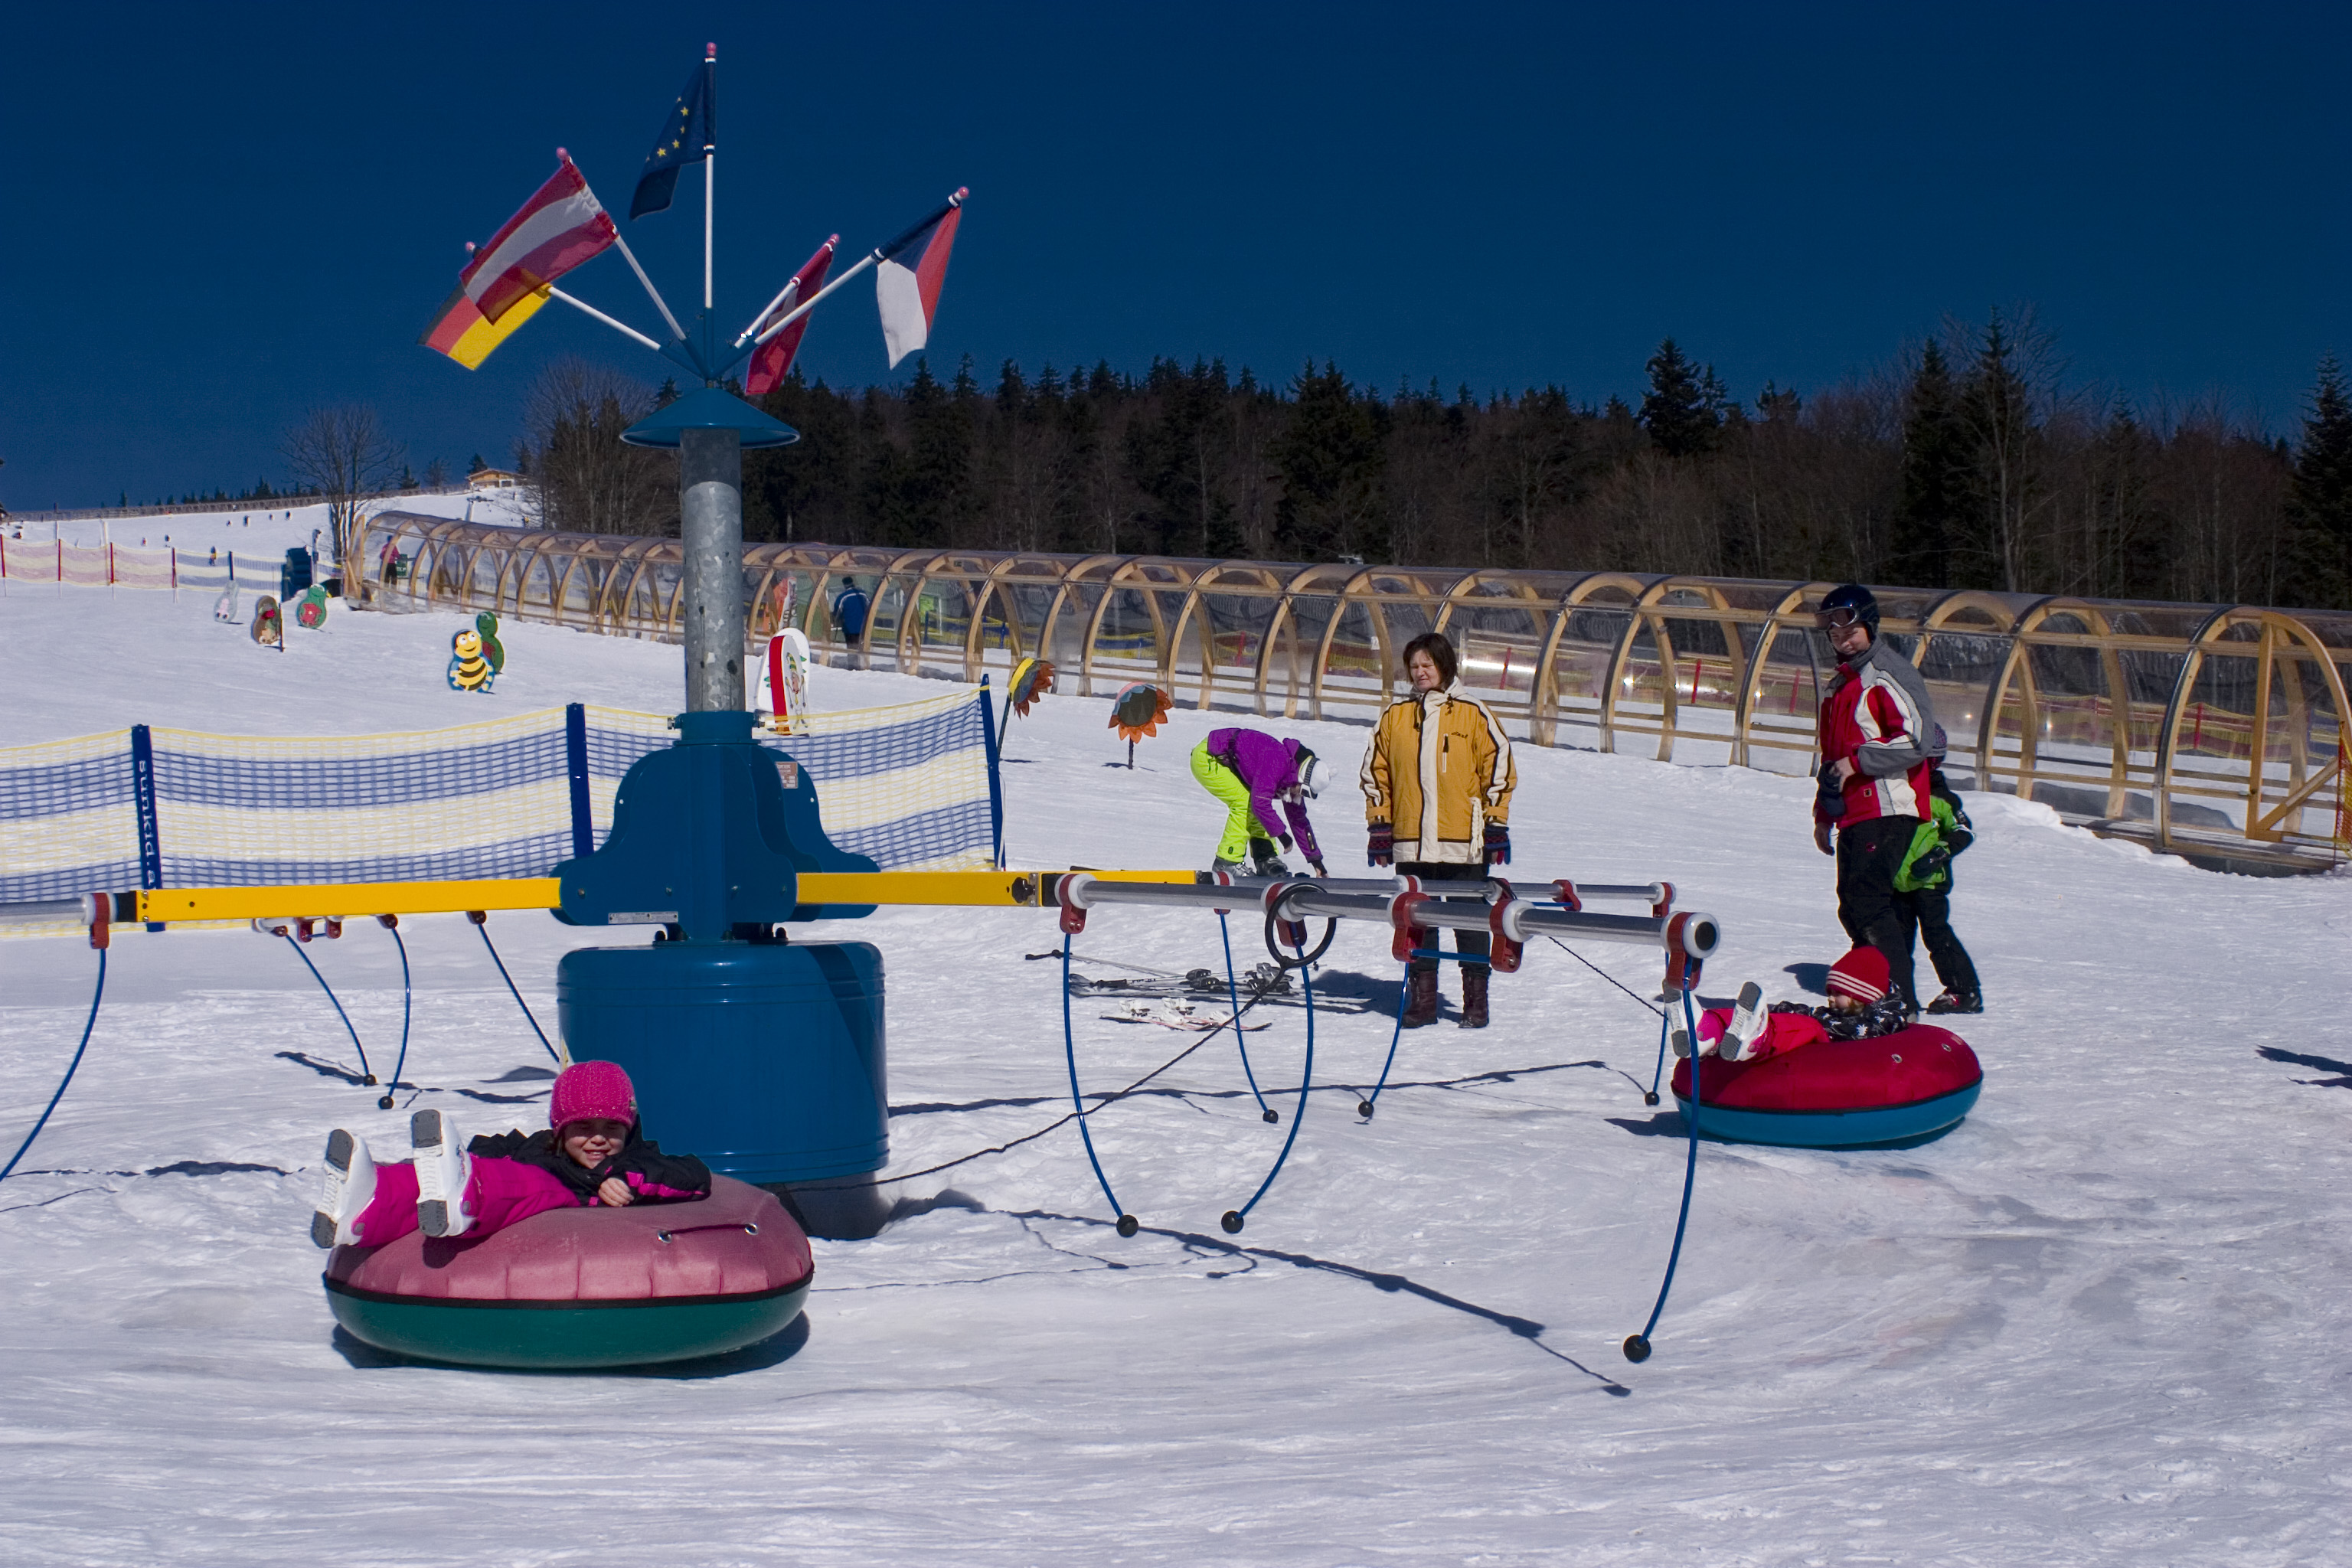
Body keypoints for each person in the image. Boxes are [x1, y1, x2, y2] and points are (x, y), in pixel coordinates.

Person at [309, 1060, 709, 1249]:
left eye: (612, 1129)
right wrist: (470, 1156)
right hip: (504, 1182)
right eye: (583, 1129)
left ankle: (469, 1191)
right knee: (446, 1173)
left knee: (526, 1183)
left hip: (561, 1200)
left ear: (630, 1129)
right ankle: (367, 1203)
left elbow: (691, 1174)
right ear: (561, 1129)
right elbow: (496, 1144)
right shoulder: (539, 1145)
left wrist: (626, 1180)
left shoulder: (634, 1161)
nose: (598, 1140)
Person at [1361, 631, 1517, 1029]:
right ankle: (1423, 999)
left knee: (1469, 921)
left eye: (1427, 665)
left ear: (1444, 665)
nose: (1420, 673)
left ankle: (1475, 1003)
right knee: (1417, 919)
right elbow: (1376, 773)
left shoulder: (1473, 713)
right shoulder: (1395, 716)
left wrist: (1496, 822)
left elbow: (1498, 767)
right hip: (1411, 841)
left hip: (1462, 841)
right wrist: (1381, 824)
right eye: (1414, 666)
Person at [1811, 583, 1942, 1014]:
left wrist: (1860, 762)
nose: (1842, 638)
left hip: (1888, 804)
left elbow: (1918, 738)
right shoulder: (1840, 685)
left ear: (1869, 624)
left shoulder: (1888, 673)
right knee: (1853, 904)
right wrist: (1822, 811)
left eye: (1849, 629)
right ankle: (1876, 987)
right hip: (1851, 811)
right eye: (1833, 632)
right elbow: (1831, 756)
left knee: (1867, 900)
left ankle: (1898, 997)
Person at [1679, 947, 1909, 1063]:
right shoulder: (1846, 1012)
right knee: (1787, 1017)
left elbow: (1851, 1030)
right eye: (1830, 993)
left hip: (1844, 1062)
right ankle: (1709, 1026)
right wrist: (1789, 1009)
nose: (1829, 999)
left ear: (1862, 995)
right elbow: (1827, 1018)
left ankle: (1757, 1039)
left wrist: (1811, 1018)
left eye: (1838, 993)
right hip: (1827, 1046)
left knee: (1807, 1027)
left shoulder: (1886, 1018)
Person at [1896, 765, 1983, 1014]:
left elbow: (1963, 831)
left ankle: (1963, 991)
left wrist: (1938, 853)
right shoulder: (1892, 789)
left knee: (1936, 934)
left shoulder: (1940, 798)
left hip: (1929, 882)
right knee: (1897, 938)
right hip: (1896, 880)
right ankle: (1897, 991)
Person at [1190, 727, 1328, 877]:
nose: (1302, 796)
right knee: (1245, 802)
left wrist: (1317, 862)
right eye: (1305, 791)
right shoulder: (1277, 761)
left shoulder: (1291, 779)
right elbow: (1260, 805)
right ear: (1301, 777)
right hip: (1209, 756)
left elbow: (1299, 820)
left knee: (1256, 801)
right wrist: (1282, 835)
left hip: (1230, 762)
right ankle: (1227, 862)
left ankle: (1265, 858)